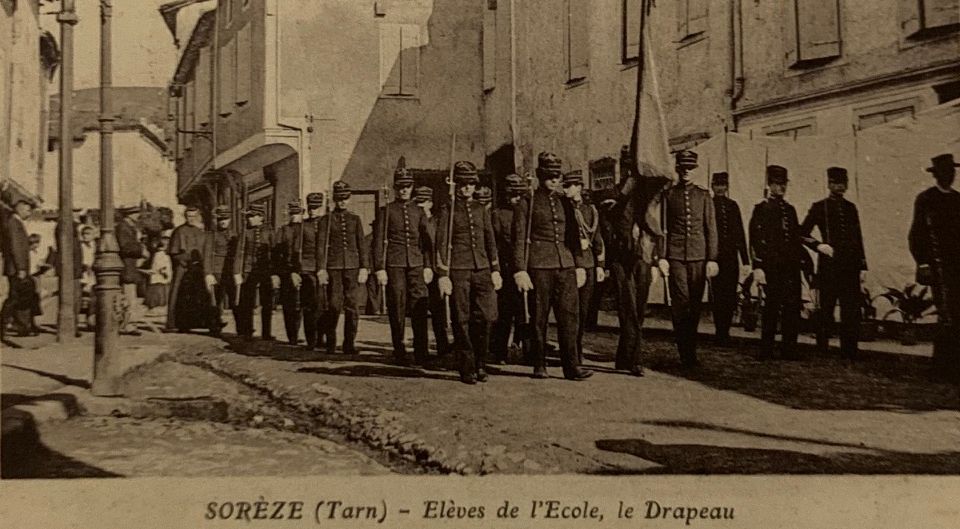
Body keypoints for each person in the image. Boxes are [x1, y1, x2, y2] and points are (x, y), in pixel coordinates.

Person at [512, 152, 592, 381]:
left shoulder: (564, 202)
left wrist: (579, 265)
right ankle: (539, 363)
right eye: (549, 176)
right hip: (539, 266)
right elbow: (519, 238)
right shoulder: (527, 202)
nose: (555, 180)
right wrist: (520, 270)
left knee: (569, 317)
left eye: (557, 176)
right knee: (539, 317)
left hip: (565, 265)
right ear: (540, 176)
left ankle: (571, 366)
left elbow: (574, 236)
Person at [436, 161, 502, 384]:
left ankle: (481, 362)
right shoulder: (448, 209)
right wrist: (443, 274)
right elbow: (441, 243)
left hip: (482, 268)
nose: (467, 188)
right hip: (458, 269)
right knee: (461, 318)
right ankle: (467, 366)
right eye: (463, 183)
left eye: (471, 184)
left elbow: (490, 240)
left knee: (486, 317)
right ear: (456, 185)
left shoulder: (481, 209)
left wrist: (495, 269)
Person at [655, 150, 719, 368]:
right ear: (678, 169)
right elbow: (663, 228)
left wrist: (712, 258)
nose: (686, 172)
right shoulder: (669, 195)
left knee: (695, 305)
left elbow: (711, 229)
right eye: (683, 168)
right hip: (675, 257)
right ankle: (686, 353)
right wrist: (662, 257)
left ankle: (690, 347)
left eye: (690, 168)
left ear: (695, 170)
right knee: (680, 304)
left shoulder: (704, 195)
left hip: (698, 256)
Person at [800, 166, 867, 359]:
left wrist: (862, 265)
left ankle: (850, 349)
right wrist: (819, 246)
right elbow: (802, 233)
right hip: (829, 264)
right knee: (826, 308)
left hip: (850, 266)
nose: (840, 187)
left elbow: (857, 237)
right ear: (829, 184)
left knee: (850, 309)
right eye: (836, 183)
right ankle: (822, 347)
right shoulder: (819, 207)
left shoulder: (851, 208)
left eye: (843, 183)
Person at [373, 167, 434, 365]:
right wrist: (380, 268)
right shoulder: (387, 211)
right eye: (400, 187)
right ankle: (399, 350)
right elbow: (379, 240)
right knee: (397, 306)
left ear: (412, 187)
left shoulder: (419, 211)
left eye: (407, 186)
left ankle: (421, 351)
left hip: (416, 263)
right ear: (395, 188)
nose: (404, 190)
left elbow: (426, 242)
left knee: (419, 306)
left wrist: (427, 265)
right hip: (395, 263)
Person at [909, 153, 960, 382]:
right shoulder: (926, 199)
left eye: (952, 172)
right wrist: (923, 263)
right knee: (946, 314)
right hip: (938, 266)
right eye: (945, 172)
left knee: (957, 313)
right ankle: (941, 368)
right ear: (936, 175)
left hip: (957, 265)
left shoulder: (958, 200)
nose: (950, 176)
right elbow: (916, 235)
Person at [749, 165, 807, 360]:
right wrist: (758, 267)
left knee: (792, 307)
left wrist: (805, 262)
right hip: (771, 267)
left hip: (791, 267)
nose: (781, 187)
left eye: (783, 184)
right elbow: (755, 240)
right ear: (769, 184)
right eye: (776, 184)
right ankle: (766, 349)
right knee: (772, 308)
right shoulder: (761, 209)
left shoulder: (790, 210)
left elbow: (796, 238)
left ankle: (789, 348)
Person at [317, 181, 370, 354]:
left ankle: (349, 343)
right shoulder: (326, 220)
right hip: (333, 267)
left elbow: (362, 245)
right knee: (333, 305)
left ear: (349, 198)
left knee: (352, 306)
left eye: (345, 198)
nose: (342, 201)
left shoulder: (355, 219)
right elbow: (321, 246)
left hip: (352, 267)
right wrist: (321, 269)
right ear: (334, 199)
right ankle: (331, 341)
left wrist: (364, 267)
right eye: (339, 198)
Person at [562, 170, 605, 365]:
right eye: (564, 186)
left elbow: (597, 237)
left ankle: (577, 349)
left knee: (584, 311)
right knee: (570, 312)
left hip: (588, 263)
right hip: (570, 264)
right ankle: (571, 353)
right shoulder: (563, 208)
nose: (565, 190)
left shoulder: (590, 210)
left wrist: (600, 265)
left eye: (569, 186)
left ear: (578, 187)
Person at [490, 174, 528, 364]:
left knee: (527, 312)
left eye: (520, 195)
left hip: (528, 268)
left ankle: (529, 351)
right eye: (513, 195)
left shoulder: (529, 213)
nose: (517, 199)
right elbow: (495, 243)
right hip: (507, 268)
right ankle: (499, 352)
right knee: (505, 313)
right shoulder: (498, 214)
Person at [710, 172, 750, 346]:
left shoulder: (733, 206)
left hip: (731, 258)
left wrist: (745, 260)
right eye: (717, 185)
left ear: (727, 187)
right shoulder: (708, 204)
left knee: (729, 295)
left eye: (723, 185)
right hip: (714, 258)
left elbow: (740, 233)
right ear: (712, 186)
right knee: (717, 295)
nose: (720, 188)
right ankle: (719, 332)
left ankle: (725, 331)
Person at [415, 185, 451, 358]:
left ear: (430, 203)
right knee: (420, 308)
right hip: (419, 267)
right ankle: (421, 349)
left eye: (424, 202)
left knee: (439, 309)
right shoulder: (414, 221)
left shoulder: (436, 221)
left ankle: (443, 344)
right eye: (418, 202)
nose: (421, 206)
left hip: (437, 269)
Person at [235, 204, 280, 340]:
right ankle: (248, 331)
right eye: (249, 216)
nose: (249, 219)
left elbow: (274, 253)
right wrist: (237, 272)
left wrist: (274, 272)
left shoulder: (270, 232)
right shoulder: (245, 232)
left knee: (267, 302)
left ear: (261, 217)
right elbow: (239, 254)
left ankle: (266, 333)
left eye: (252, 216)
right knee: (247, 302)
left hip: (266, 270)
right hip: (248, 270)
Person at [165, 206, 207, 333]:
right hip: (182, 268)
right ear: (185, 217)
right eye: (189, 216)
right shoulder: (179, 231)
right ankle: (175, 322)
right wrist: (184, 262)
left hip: (198, 268)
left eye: (194, 216)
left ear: (198, 217)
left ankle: (197, 322)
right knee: (178, 292)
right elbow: (173, 252)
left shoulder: (200, 232)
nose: (191, 219)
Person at [202, 205, 240, 338]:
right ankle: (215, 327)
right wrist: (208, 273)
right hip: (217, 272)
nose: (223, 222)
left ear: (230, 219)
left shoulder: (235, 235)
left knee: (236, 300)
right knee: (216, 301)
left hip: (231, 272)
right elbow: (207, 255)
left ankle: (242, 329)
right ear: (216, 220)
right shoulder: (211, 235)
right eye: (220, 219)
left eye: (226, 219)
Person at [1, 199, 36, 337]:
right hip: (16, 268)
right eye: (28, 210)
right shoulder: (14, 223)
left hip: (17, 268)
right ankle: (3, 324)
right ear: (20, 209)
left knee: (20, 297)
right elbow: (16, 247)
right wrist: (21, 268)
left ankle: (22, 326)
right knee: (14, 298)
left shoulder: (17, 223)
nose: (29, 213)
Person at [277, 200, 307, 345]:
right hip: (287, 271)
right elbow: (278, 253)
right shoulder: (283, 230)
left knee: (304, 303)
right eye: (292, 213)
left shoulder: (306, 229)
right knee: (289, 305)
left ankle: (309, 335)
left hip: (305, 270)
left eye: (298, 213)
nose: (295, 216)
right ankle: (292, 335)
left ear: (302, 213)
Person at [299, 192, 325, 349]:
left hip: (324, 267)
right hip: (307, 268)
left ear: (321, 207)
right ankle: (311, 339)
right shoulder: (303, 226)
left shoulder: (327, 223)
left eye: (315, 207)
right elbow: (297, 248)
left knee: (323, 304)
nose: (312, 211)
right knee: (309, 305)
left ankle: (321, 337)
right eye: (310, 207)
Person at [116, 204, 147, 335]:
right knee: (128, 298)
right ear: (129, 215)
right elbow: (125, 247)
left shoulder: (129, 227)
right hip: (127, 267)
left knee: (129, 297)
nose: (137, 216)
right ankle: (128, 325)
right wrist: (141, 249)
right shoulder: (123, 228)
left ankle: (127, 324)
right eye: (135, 213)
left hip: (130, 268)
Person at [143, 236, 172, 315]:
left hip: (160, 278)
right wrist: (165, 273)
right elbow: (161, 266)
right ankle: (155, 310)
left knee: (159, 294)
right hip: (160, 278)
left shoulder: (159, 254)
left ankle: (155, 309)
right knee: (158, 294)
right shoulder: (160, 254)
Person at [79, 225, 97, 327]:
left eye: (88, 234)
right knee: (84, 298)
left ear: (93, 235)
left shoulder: (96, 245)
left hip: (94, 274)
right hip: (84, 274)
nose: (85, 236)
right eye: (84, 234)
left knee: (93, 297)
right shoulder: (80, 246)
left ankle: (91, 319)